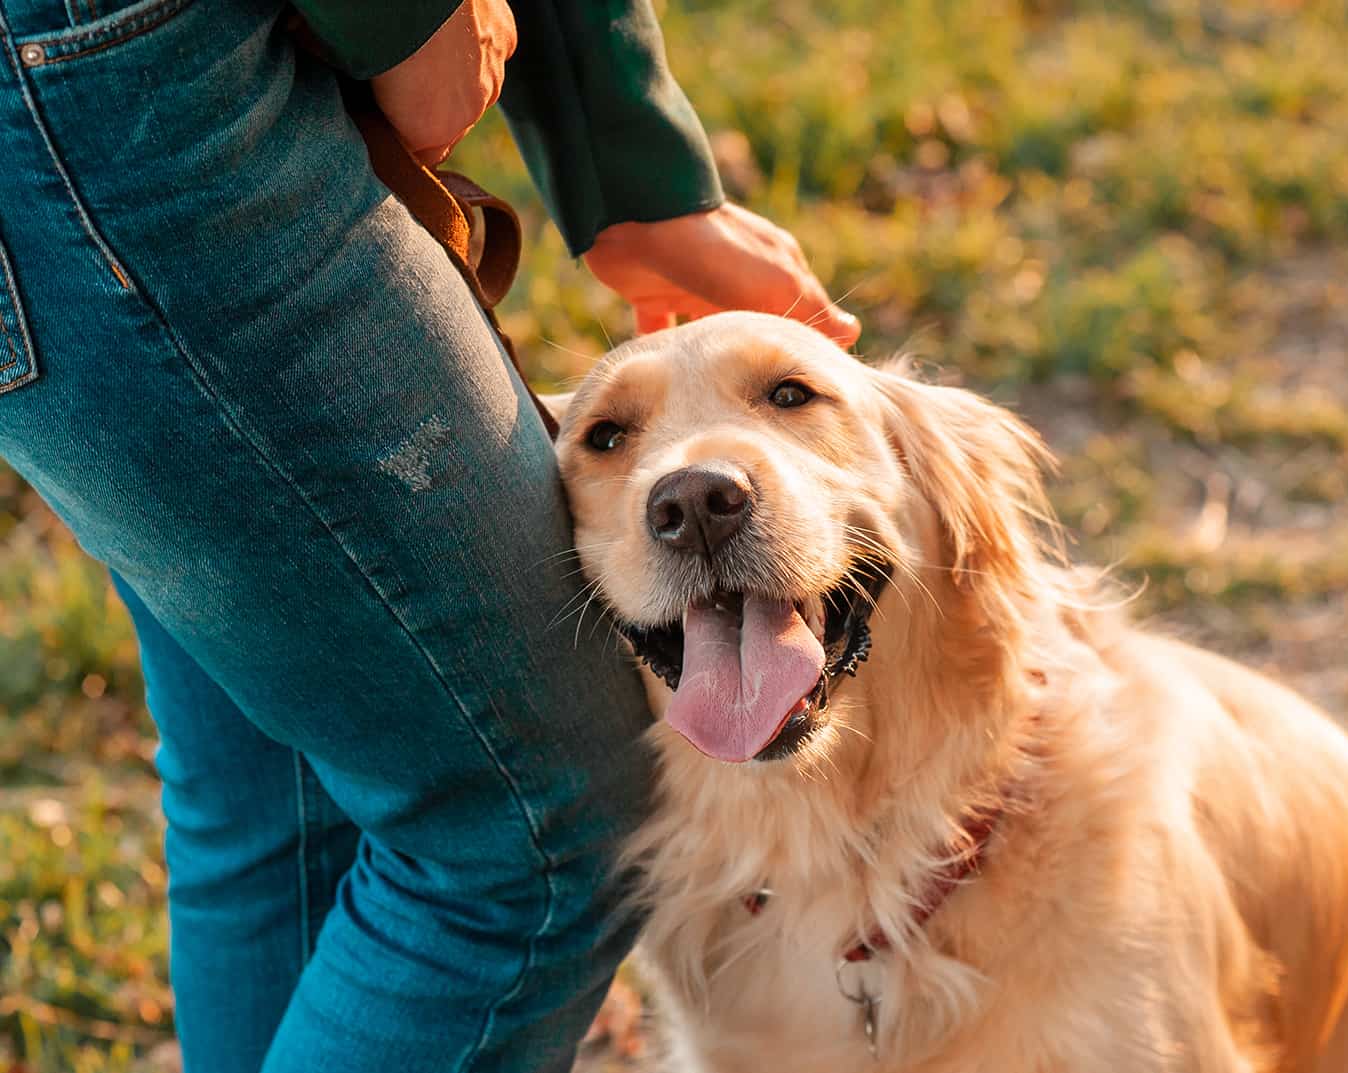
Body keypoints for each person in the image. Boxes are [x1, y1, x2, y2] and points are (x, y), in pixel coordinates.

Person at [0, 0, 857, 1069]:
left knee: (287, 780)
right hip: (113, 94)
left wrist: (623, 151)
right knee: (528, 831)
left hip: (93, 90)